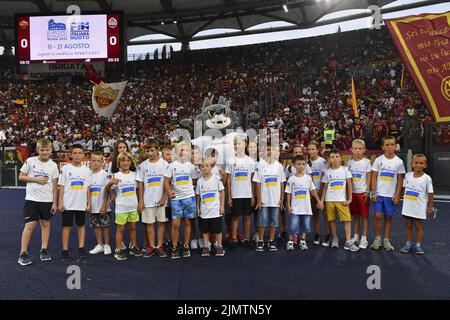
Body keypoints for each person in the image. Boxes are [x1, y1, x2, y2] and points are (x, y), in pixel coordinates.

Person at [18, 138, 59, 266]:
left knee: (45, 224)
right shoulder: (30, 161)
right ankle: (23, 253)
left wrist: (55, 202)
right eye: (42, 150)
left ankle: (44, 249)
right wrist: (36, 180)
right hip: (32, 199)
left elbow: (54, 185)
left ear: (51, 150)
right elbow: (21, 177)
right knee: (30, 225)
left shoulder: (53, 165)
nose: (44, 152)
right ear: (37, 150)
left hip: (47, 200)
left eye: (47, 150)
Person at [103, 152, 142, 261]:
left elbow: (138, 190)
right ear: (118, 163)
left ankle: (133, 246)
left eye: (128, 160)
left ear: (131, 162)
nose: (125, 163)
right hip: (121, 208)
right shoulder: (116, 176)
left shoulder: (135, 175)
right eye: (123, 161)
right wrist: (111, 183)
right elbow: (106, 190)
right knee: (120, 229)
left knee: (133, 228)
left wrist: (139, 203)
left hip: (133, 207)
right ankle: (118, 249)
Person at [164, 141, 199, 259]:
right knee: (176, 224)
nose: (184, 152)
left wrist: (187, 188)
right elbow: (166, 181)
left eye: (186, 150)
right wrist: (169, 192)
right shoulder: (172, 165)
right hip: (176, 199)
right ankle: (174, 247)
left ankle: (185, 246)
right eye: (181, 149)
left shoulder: (191, 166)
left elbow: (194, 180)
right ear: (177, 151)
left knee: (188, 223)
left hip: (189, 197)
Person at [370, 136, 405, 251]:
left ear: (395, 146)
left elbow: (400, 180)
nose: (389, 147)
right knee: (377, 216)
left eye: (392, 144)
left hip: (391, 195)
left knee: (388, 218)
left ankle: (386, 240)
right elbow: (374, 176)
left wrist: (397, 194)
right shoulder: (378, 160)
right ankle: (378, 239)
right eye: (387, 145)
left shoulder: (399, 162)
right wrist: (373, 192)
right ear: (382, 147)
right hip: (379, 194)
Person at [320, 149, 359, 252]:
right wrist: (322, 201)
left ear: (341, 158)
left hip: (342, 200)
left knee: (347, 220)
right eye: (332, 157)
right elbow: (325, 187)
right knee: (331, 220)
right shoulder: (327, 172)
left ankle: (348, 242)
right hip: (329, 200)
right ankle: (335, 238)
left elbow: (349, 184)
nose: (335, 159)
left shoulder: (345, 170)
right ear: (329, 159)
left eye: (337, 156)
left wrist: (350, 198)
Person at [58, 144, 92, 262]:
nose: (77, 155)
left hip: (81, 204)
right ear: (71, 155)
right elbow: (61, 187)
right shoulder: (66, 168)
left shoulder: (87, 169)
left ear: (83, 155)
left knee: (81, 226)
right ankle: (65, 251)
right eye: (75, 153)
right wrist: (60, 202)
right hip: (68, 203)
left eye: (79, 153)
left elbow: (88, 188)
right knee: (66, 227)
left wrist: (89, 203)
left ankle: (81, 248)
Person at [137, 139, 169, 258]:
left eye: (152, 150)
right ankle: (151, 246)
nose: (150, 153)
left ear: (157, 150)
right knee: (149, 224)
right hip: (147, 200)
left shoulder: (164, 164)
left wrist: (164, 197)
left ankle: (159, 246)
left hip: (161, 200)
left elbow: (167, 182)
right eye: (147, 150)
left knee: (161, 223)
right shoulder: (142, 165)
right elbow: (140, 184)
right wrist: (141, 201)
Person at [285, 155, 323, 251]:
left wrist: (319, 201)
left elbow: (313, 190)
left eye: (303, 164)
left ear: (306, 165)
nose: (301, 166)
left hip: (306, 208)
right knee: (293, 225)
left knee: (305, 226)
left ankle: (302, 240)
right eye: (298, 164)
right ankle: (290, 241)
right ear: (294, 165)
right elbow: (288, 193)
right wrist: (288, 205)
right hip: (295, 208)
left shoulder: (308, 178)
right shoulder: (291, 179)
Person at [253, 145, 286, 252]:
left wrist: (281, 199)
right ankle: (261, 240)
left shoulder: (279, 166)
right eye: (267, 149)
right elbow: (257, 183)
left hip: (275, 200)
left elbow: (281, 183)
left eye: (272, 149)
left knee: (274, 222)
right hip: (263, 200)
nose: (270, 152)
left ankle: (271, 240)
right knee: (262, 221)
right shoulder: (260, 165)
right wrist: (258, 199)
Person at [399, 154, 434, 255]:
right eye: (416, 163)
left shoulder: (427, 178)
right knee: (408, 226)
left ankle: (418, 245)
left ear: (425, 165)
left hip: (419, 208)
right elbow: (404, 188)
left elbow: (430, 193)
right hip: (408, 207)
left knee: (418, 227)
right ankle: (408, 244)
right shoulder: (407, 175)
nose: (418, 165)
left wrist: (430, 207)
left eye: (421, 163)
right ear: (411, 164)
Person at [225, 135, 256, 247]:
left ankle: (247, 238)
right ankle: (233, 238)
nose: (236, 146)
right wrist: (229, 197)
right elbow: (228, 180)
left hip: (247, 194)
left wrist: (253, 195)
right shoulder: (231, 160)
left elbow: (252, 180)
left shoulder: (250, 161)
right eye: (235, 144)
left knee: (247, 217)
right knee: (235, 217)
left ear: (245, 145)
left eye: (239, 143)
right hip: (235, 194)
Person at [196, 158, 226, 257]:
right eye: (202, 166)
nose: (205, 168)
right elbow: (198, 196)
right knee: (205, 230)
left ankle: (219, 246)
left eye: (207, 166)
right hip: (204, 211)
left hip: (215, 210)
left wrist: (221, 206)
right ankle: (206, 246)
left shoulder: (217, 179)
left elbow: (222, 193)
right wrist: (198, 207)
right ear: (200, 168)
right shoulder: (199, 181)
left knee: (218, 230)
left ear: (211, 167)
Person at [282, 145, 312, 244]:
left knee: (303, 216)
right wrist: (288, 200)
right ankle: (293, 235)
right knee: (294, 217)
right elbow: (286, 181)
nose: (298, 154)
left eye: (300, 152)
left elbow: (309, 181)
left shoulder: (306, 166)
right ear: (292, 154)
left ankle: (302, 237)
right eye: (296, 152)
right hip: (293, 195)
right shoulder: (289, 167)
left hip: (304, 197)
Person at [346, 139, 372, 249]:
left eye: (360, 149)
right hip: (352, 194)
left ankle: (364, 238)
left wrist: (368, 191)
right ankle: (356, 237)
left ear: (364, 150)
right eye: (355, 148)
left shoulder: (367, 162)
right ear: (351, 150)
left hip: (362, 193)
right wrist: (348, 193)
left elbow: (369, 178)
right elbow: (348, 180)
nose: (357, 151)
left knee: (364, 217)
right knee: (355, 216)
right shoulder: (349, 163)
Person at [88, 151, 112, 255]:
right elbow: (87, 190)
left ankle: (107, 245)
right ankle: (100, 245)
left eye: (98, 161)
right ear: (90, 161)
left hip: (103, 206)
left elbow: (107, 192)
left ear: (102, 162)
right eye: (93, 160)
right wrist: (88, 204)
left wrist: (104, 205)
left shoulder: (105, 175)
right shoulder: (88, 174)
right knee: (96, 226)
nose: (95, 163)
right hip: (93, 206)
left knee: (105, 226)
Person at [307, 141, 330, 246]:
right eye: (309, 149)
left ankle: (328, 234)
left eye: (313, 149)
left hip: (322, 192)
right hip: (311, 193)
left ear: (317, 150)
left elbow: (324, 178)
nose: (311, 151)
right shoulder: (306, 162)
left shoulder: (322, 162)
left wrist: (320, 193)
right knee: (315, 215)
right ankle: (316, 234)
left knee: (325, 214)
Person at [161, 144, 174, 252]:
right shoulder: (162, 167)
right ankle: (167, 239)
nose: (170, 156)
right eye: (167, 154)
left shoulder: (176, 165)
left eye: (171, 154)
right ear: (163, 155)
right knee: (166, 221)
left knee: (175, 220)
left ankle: (174, 239)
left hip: (175, 198)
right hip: (165, 199)